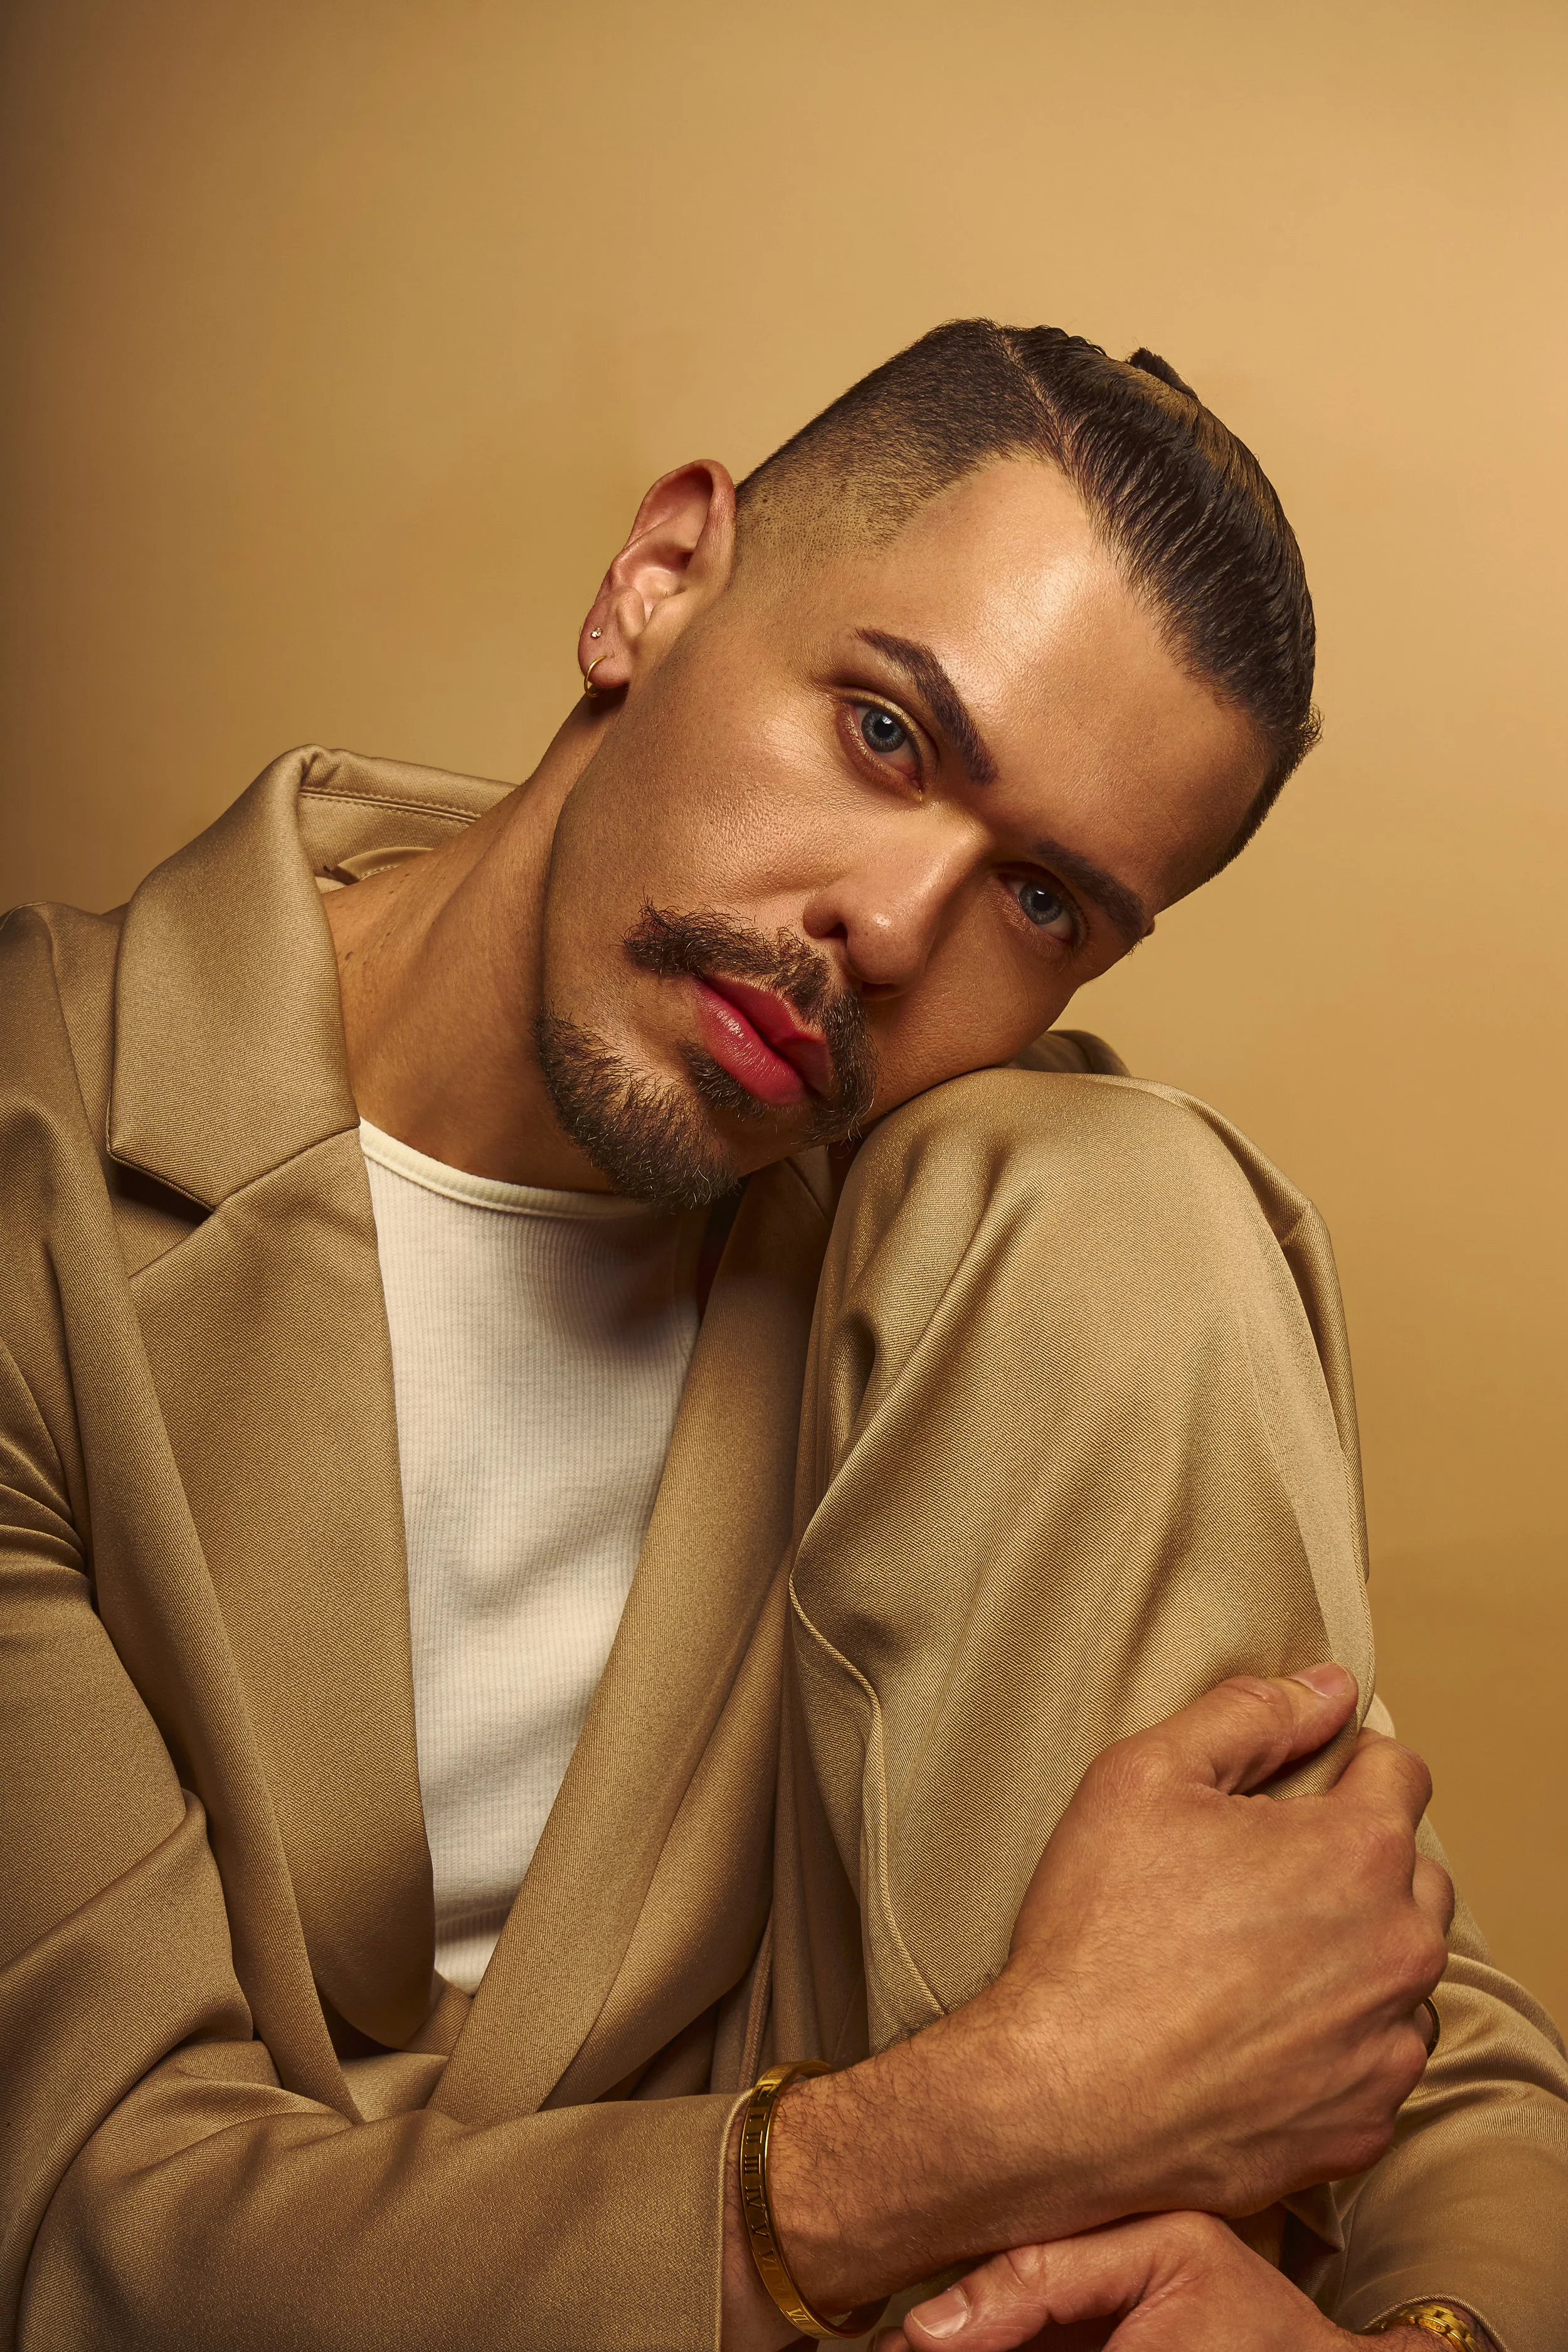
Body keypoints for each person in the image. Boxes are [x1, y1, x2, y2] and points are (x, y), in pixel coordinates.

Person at [1, 322, 1562, 2352]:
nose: (898, 928)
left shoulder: (979, 1257)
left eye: (1044, 905)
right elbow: (97, 2240)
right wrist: (988, 2121)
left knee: (1113, 1187)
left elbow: (1398, 2038)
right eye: (889, 737)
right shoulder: (48, 1169)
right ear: (656, 581)